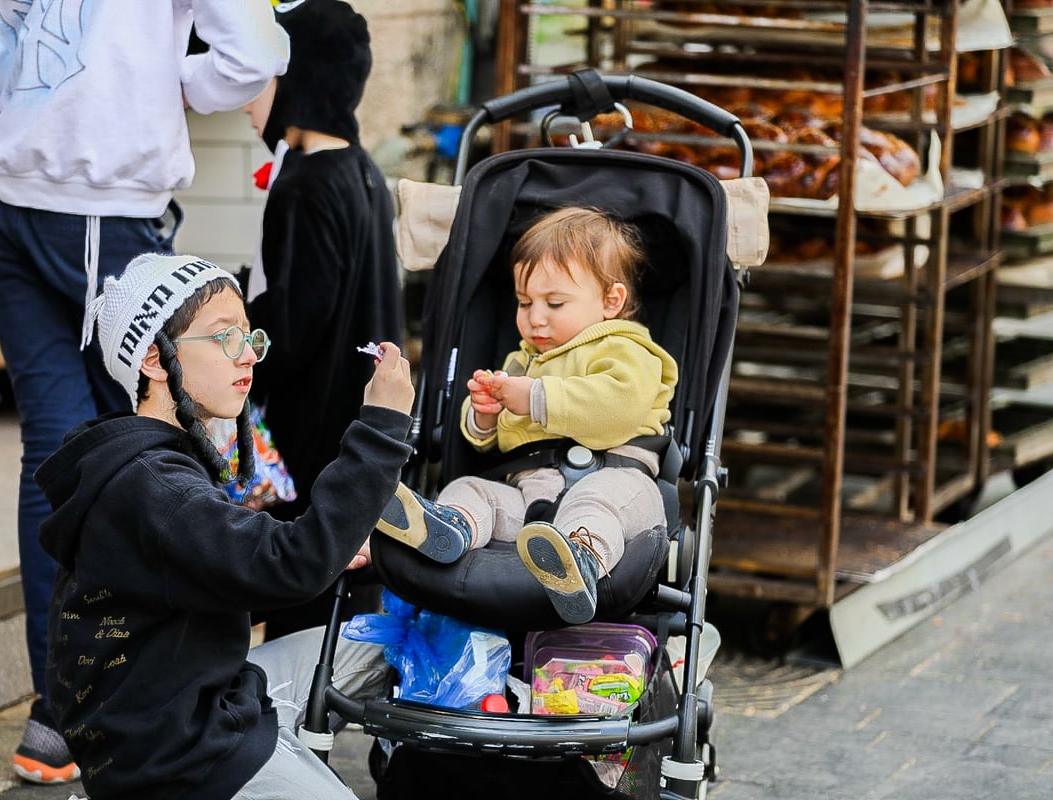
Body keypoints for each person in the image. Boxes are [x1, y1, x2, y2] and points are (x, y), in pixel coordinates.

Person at [0, 2, 289, 783]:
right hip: (110, 211)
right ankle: (149, 701)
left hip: (3, 214)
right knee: (148, 441)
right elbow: (252, 53)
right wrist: (166, 80)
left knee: (53, 450)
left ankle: (56, 717)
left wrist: (5, 163)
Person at [37, 252, 415, 800]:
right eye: (223, 337)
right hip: (179, 754)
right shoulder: (155, 486)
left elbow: (205, 586)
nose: (248, 355)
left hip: (206, 699)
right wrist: (380, 427)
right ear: (153, 360)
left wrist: (322, 551)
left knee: (396, 647)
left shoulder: (153, 464)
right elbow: (290, 566)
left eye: (248, 336)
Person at [376, 207, 679, 625]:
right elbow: (498, 440)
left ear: (611, 301)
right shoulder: (524, 362)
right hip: (531, 501)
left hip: (618, 483)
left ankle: (581, 562)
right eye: (524, 302)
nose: (535, 317)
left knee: (595, 505)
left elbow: (616, 409)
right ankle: (451, 528)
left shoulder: (627, 349)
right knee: (472, 488)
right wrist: (484, 415)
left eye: (554, 302)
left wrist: (535, 397)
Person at [244, 0, 403, 637]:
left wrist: (236, 331)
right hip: (356, 423)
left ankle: (291, 729)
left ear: (297, 80)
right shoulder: (364, 174)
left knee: (298, 596)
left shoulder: (305, 184)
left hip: (307, 432)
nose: (246, 98)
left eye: (261, 78)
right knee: (344, 598)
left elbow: (294, 324)